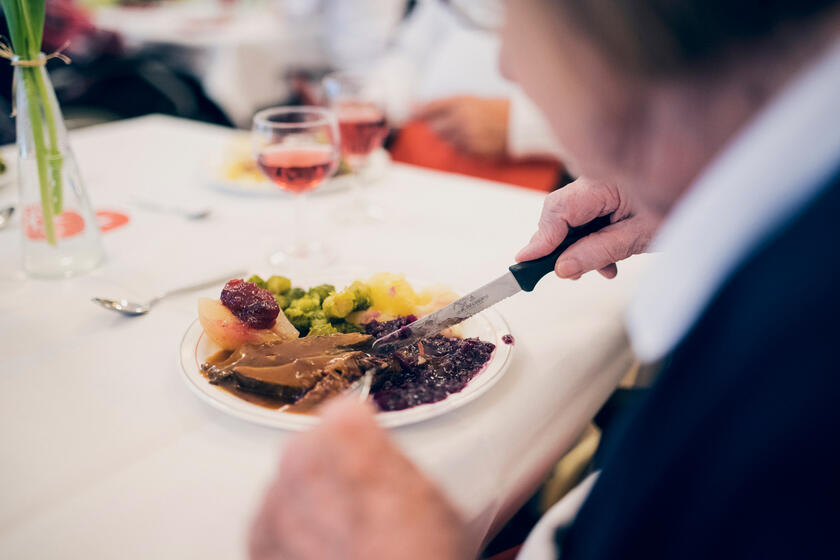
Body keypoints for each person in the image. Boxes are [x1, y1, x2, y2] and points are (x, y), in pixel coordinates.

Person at [250, 0, 840, 558]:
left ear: (609, 29)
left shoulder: (797, 383)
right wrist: (669, 187)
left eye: (515, 16)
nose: (506, 62)